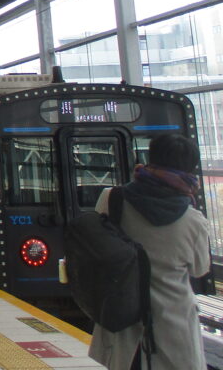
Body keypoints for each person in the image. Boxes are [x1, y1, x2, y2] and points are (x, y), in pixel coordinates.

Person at [89, 133, 210, 370]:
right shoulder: (194, 220)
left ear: (150, 159)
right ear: (189, 170)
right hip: (174, 326)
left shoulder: (112, 199)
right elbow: (199, 269)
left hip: (121, 322)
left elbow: (96, 246)